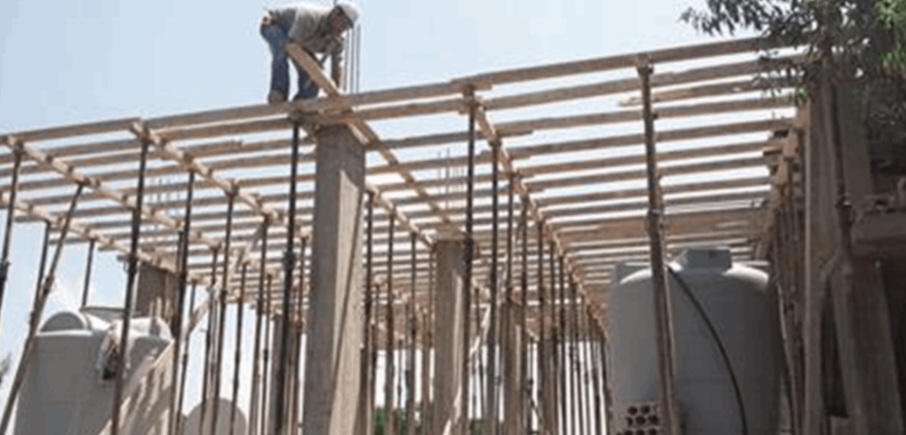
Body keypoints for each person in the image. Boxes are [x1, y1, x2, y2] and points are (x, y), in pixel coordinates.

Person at [260, 2, 359, 104]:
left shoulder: (337, 41)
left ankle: (301, 105)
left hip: (300, 42)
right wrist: (312, 65)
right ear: (336, 13)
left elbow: (337, 66)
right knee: (282, 49)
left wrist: (336, 92)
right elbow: (292, 47)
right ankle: (278, 92)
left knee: (315, 76)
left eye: (347, 27)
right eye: (343, 23)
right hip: (275, 25)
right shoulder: (309, 17)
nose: (342, 29)